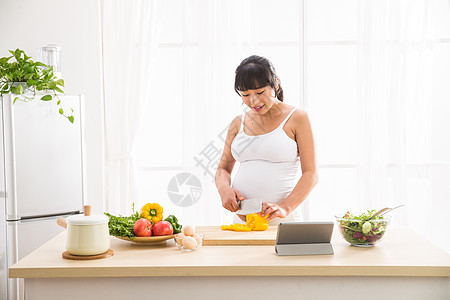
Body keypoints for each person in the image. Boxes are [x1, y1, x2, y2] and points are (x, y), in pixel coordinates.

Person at [215, 55, 318, 225]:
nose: (253, 100)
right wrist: (223, 189)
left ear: (275, 83)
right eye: (245, 94)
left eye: (260, 92)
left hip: (282, 222)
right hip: (242, 223)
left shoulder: (297, 118)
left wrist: (285, 207)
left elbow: (311, 174)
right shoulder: (237, 123)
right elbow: (223, 168)